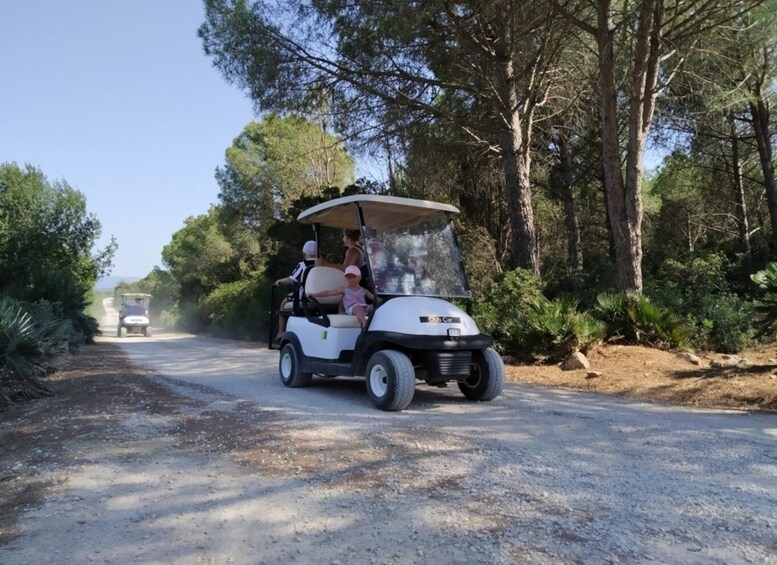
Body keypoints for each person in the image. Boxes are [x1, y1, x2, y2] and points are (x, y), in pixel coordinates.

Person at [273, 240, 317, 341]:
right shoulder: (321, 265)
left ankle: (280, 332)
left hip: (305, 297)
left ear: (304, 253)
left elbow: (291, 279)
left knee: (284, 302)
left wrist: (279, 281)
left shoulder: (302, 265)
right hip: (321, 296)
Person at [309, 265, 375, 328]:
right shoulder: (344, 289)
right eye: (348, 277)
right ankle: (364, 323)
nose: (351, 279)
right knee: (358, 308)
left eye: (353, 276)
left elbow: (374, 298)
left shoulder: (364, 290)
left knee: (373, 306)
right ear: (345, 278)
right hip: (351, 309)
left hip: (364, 307)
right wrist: (315, 294)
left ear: (359, 277)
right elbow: (329, 292)